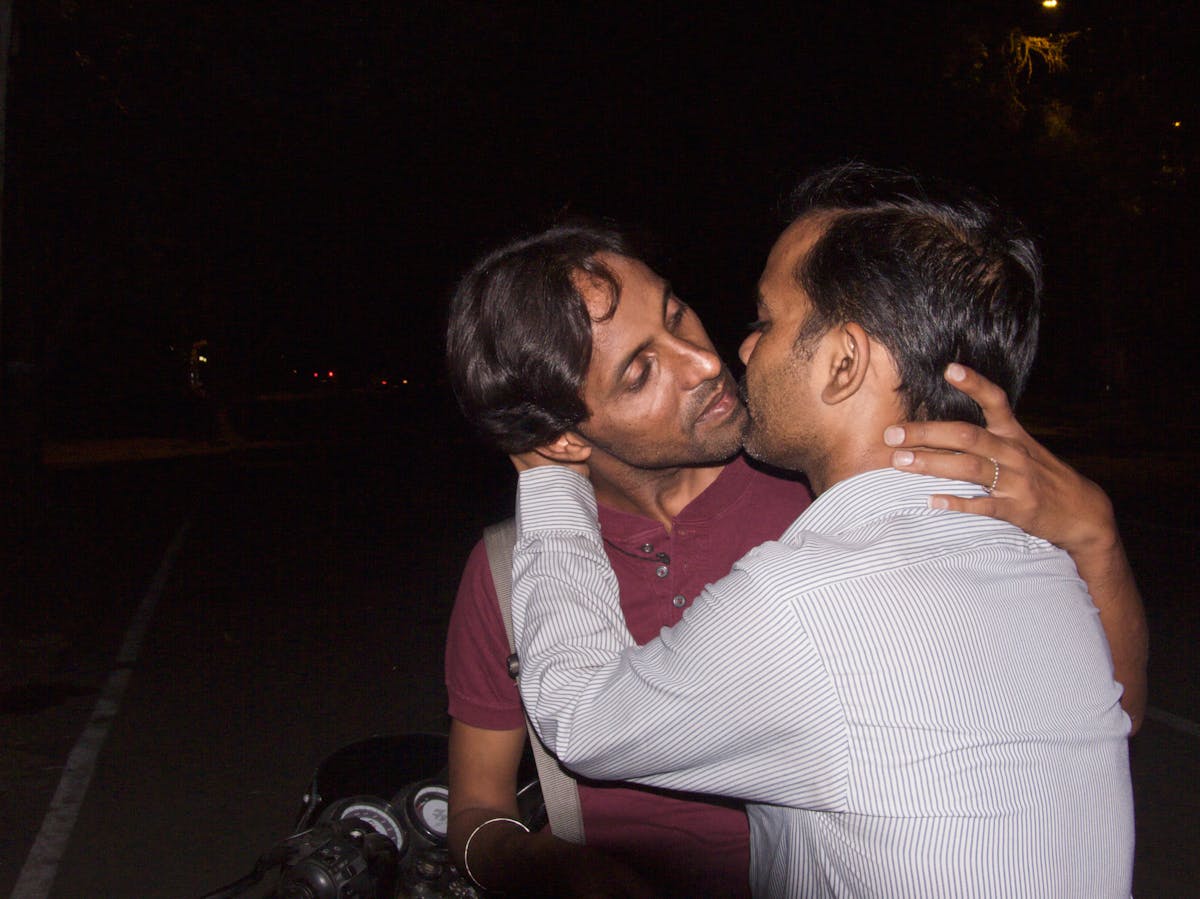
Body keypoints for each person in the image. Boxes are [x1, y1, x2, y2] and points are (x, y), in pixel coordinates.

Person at [446, 196, 1146, 895]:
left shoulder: (818, 533)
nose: (709, 359)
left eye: (676, 313)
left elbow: (580, 717)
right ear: (564, 435)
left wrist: (1096, 536)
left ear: (843, 362)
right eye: (640, 372)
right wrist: (541, 866)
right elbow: (476, 807)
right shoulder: (517, 571)